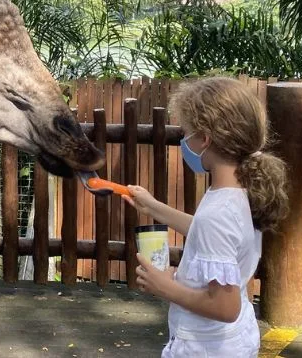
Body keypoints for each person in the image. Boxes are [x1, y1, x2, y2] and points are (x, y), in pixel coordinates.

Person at [123, 77, 289, 357]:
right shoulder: (241, 191)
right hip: (232, 340)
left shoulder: (219, 212)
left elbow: (224, 308)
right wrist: (152, 206)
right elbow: (208, 232)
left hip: (207, 347)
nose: (184, 141)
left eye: (186, 133)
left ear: (205, 139)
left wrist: (166, 287)